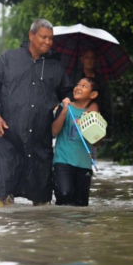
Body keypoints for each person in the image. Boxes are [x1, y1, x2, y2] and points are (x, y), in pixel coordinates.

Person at [0, 18, 72, 207]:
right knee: (5, 194)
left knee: (42, 200)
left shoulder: (55, 67)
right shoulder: (8, 59)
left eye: (50, 38)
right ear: (31, 35)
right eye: (43, 37)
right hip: (9, 137)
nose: (47, 42)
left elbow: (68, 96)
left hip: (40, 141)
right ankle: (8, 234)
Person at [52, 77, 101, 206]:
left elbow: (96, 142)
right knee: (64, 194)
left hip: (83, 164)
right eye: (78, 84)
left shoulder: (93, 114)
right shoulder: (64, 107)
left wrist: (91, 126)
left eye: (84, 86)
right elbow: (54, 131)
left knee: (81, 204)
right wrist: (64, 112)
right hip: (62, 161)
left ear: (93, 94)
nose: (78, 87)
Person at [70, 49, 112, 125]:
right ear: (82, 59)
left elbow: (106, 103)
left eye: (92, 58)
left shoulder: (101, 80)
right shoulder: (74, 76)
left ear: (96, 60)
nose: (89, 61)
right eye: (87, 58)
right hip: (74, 115)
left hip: (95, 120)